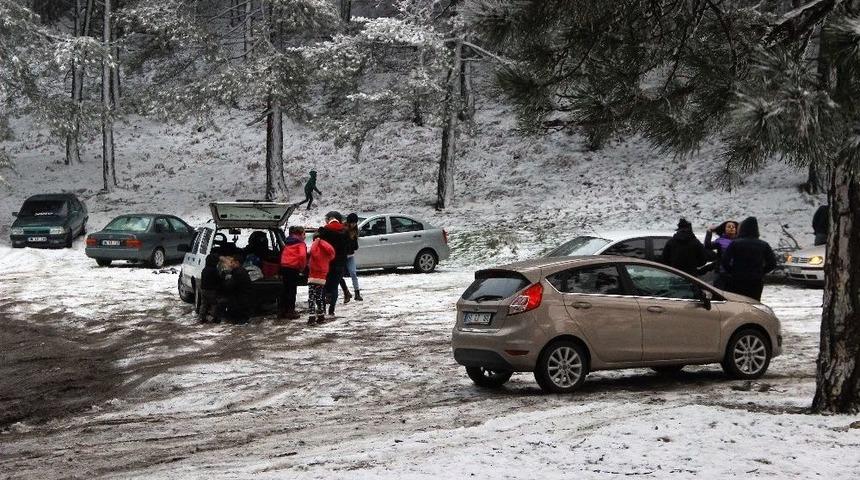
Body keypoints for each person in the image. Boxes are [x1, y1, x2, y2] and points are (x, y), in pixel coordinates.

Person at [721, 217, 777, 301]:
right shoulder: (764, 245)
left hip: (737, 279)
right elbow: (772, 263)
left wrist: (732, 271)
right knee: (754, 304)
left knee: (737, 303)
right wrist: (761, 272)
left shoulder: (735, 243)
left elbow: (725, 261)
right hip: (755, 281)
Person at [317, 211, 348, 316]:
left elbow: (318, 244)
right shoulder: (344, 231)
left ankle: (323, 309)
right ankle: (332, 310)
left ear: (330, 219)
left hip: (327, 263)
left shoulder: (324, 231)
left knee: (324, 286)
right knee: (334, 287)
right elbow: (350, 247)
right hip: (340, 263)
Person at [279, 226, 307, 320]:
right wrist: (302, 267)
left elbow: (284, 253)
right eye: (304, 234)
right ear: (300, 234)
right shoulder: (300, 243)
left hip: (284, 267)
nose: (305, 236)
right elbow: (303, 256)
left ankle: (282, 310)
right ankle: (290, 311)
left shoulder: (288, 242)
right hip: (293, 268)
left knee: (285, 289)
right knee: (292, 290)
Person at [307, 232, 335, 325]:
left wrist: (317, 241)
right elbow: (332, 254)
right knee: (319, 297)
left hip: (313, 275)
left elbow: (312, 252)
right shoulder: (326, 249)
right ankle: (321, 315)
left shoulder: (317, 248)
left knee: (311, 297)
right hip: (322, 276)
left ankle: (311, 317)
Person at [704, 219, 738, 288]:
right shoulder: (720, 241)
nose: (731, 228)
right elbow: (708, 245)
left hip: (735, 272)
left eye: (733, 227)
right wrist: (709, 231)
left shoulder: (740, 241)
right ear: (724, 229)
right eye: (729, 227)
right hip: (721, 272)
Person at [220, 254, 252, 324]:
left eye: (232, 262)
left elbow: (229, 286)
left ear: (237, 262)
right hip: (242, 301)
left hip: (240, 303)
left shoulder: (238, 273)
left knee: (239, 323)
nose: (231, 264)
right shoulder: (241, 271)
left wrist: (225, 280)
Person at [340, 212, 362, 302]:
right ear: (348, 222)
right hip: (342, 256)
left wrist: (353, 244)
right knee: (339, 275)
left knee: (353, 273)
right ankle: (346, 292)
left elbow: (355, 245)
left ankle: (357, 293)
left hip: (350, 255)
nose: (354, 224)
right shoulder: (343, 230)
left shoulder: (355, 230)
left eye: (355, 223)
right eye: (352, 223)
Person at [198, 253, 222, 323]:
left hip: (203, 289)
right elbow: (218, 279)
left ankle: (202, 317)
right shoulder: (214, 270)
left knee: (204, 304)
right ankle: (213, 317)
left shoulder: (205, 269)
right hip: (211, 290)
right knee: (214, 303)